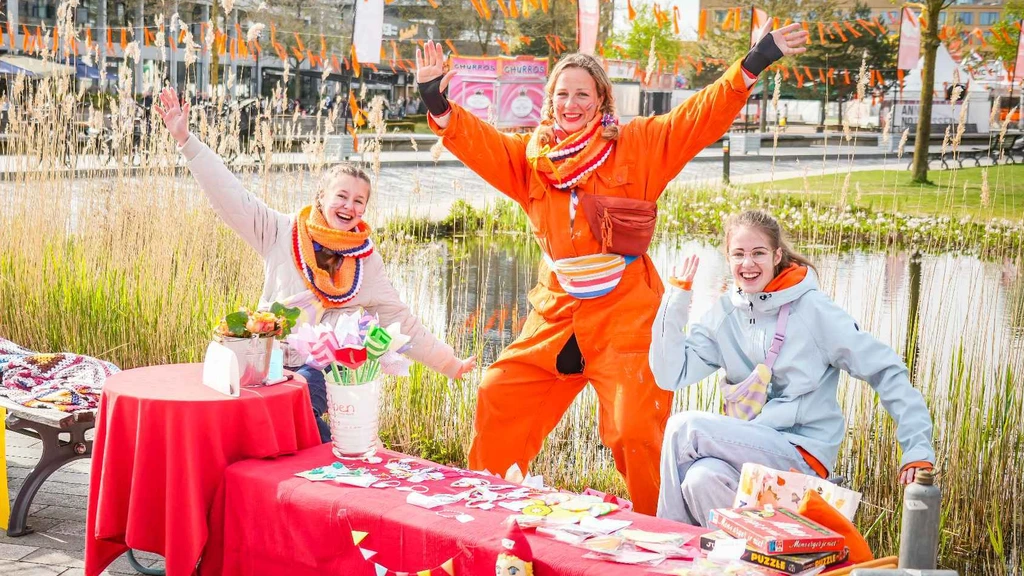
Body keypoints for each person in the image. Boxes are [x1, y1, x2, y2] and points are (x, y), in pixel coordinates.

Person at [415, 20, 808, 514]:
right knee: (499, 393)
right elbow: (478, 142)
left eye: (583, 94)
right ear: (550, 100)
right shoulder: (531, 158)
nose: (572, 104)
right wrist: (436, 100)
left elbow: (697, 118)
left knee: (635, 428)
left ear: (601, 99)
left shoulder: (637, 145)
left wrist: (753, 62)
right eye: (563, 94)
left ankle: (660, 528)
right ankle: (484, 511)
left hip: (625, 310)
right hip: (556, 314)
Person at [154, 87, 475, 442]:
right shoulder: (280, 231)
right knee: (257, 422)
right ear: (321, 196)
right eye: (341, 195)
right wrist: (186, 140)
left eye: (358, 201)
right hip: (268, 360)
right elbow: (231, 196)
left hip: (321, 369)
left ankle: (326, 473)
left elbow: (400, 319)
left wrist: (450, 364)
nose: (348, 207)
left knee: (303, 403)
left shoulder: (366, 260)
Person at [650, 210, 935, 526]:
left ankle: (667, 541)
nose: (748, 264)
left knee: (682, 428)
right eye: (738, 254)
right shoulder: (725, 314)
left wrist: (917, 447)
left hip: (800, 454)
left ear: (776, 255)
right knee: (701, 478)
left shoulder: (813, 311)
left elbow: (885, 369)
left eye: (758, 253)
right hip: (750, 447)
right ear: (728, 259)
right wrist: (676, 298)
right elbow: (669, 374)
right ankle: (742, 564)